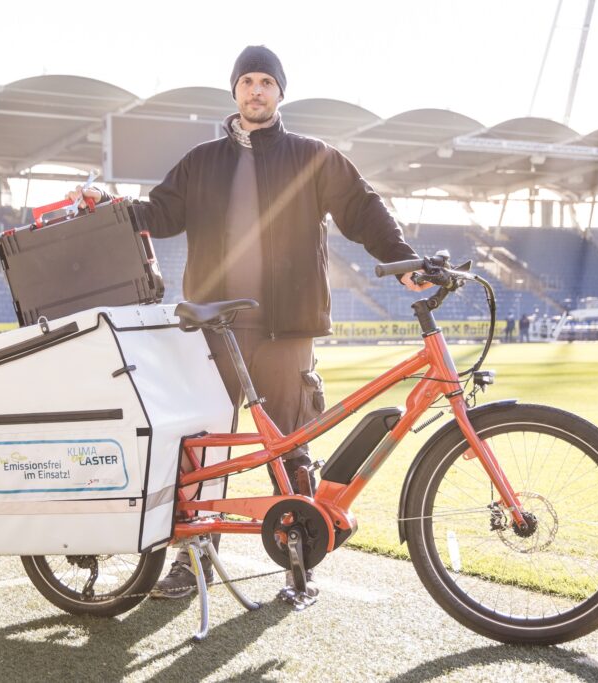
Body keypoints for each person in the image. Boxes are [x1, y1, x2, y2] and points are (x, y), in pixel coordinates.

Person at [67, 45, 423, 599]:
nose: (256, 90)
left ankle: (299, 558)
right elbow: (158, 213)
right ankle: (193, 562)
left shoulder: (312, 156)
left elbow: (361, 206)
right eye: (248, 81)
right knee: (205, 449)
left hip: (288, 326)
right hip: (215, 329)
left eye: (266, 82)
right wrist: (113, 208)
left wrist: (401, 258)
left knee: (293, 443)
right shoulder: (201, 161)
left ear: (281, 93)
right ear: (234, 90)